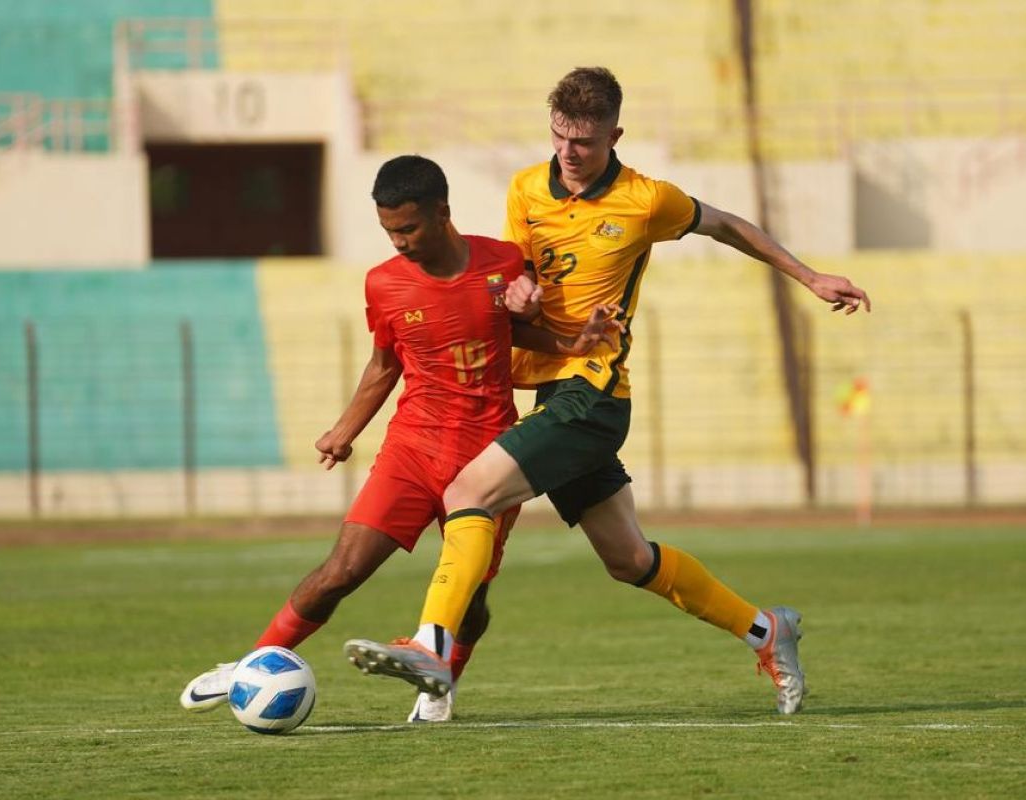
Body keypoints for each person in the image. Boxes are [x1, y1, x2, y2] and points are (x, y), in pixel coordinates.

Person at [344, 67, 872, 715]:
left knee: (467, 494)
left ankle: (433, 651)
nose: (569, 151)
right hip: (549, 391)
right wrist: (521, 294)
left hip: (592, 394)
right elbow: (520, 272)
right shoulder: (525, 189)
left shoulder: (646, 201)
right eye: (561, 136)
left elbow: (728, 225)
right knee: (627, 557)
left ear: (614, 136)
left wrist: (810, 276)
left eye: (584, 141)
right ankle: (767, 629)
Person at [180, 154, 622, 723]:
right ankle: (252, 664)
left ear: (442, 213)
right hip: (413, 450)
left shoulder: (502, 262)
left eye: (408, 228)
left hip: (491, 459)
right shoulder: (383, 283)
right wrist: (343, 432)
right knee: (340, 571)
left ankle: (440, 686)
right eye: (388, 230)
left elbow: (521, 331)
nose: (398, 242)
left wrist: (574, 343)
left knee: (472, 600)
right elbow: (383, 365)